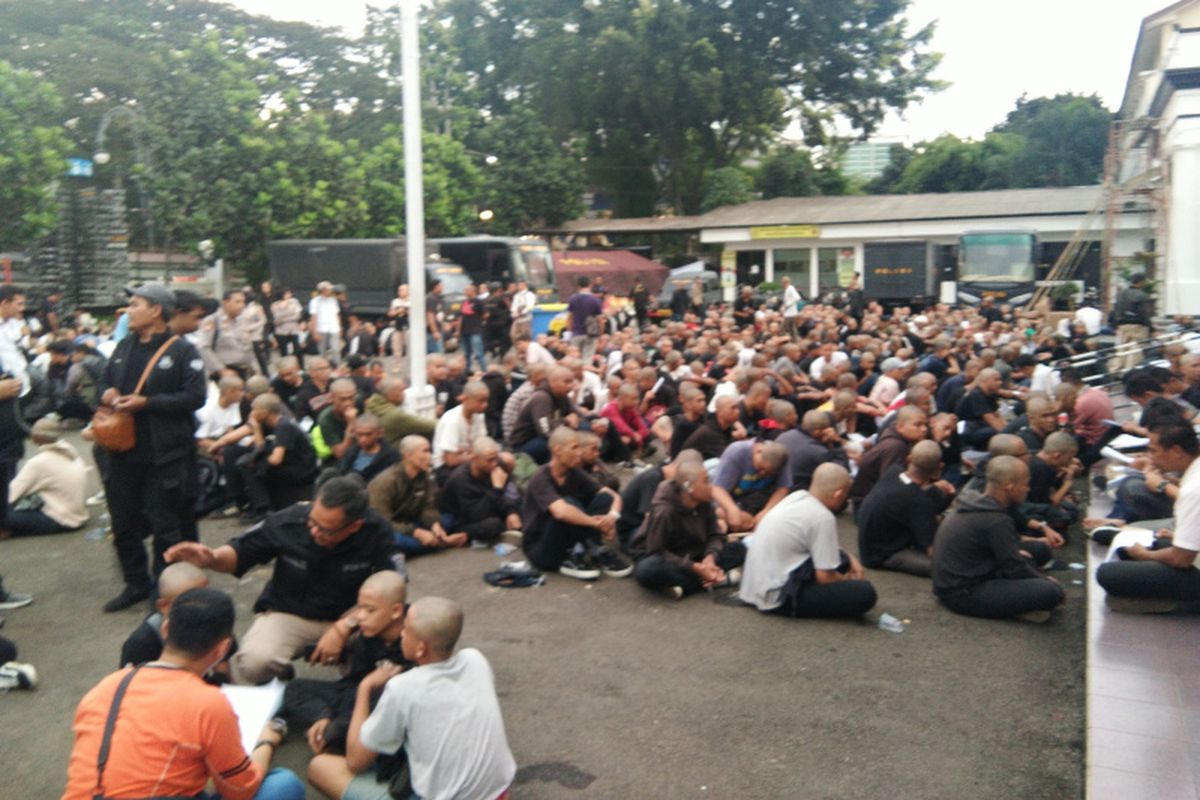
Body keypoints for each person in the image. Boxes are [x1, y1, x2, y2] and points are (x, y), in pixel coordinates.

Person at [62, 588, 304, 800]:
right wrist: (266, 741)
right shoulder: (208, 703)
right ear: (223, 648)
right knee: (283, 784)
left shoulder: (109, 684)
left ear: (166, 628)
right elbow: (241, 790)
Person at [164, 476, 396, 684]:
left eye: (326, 530)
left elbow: (394, 585)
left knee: (392, 647)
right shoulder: (288, 521)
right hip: (291, 611)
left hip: (352, 617)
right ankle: (279, 682)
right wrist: (211, 558)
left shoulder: (378, 532)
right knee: (255, 663)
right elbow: (241, 552)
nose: (314, 532)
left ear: (355, 526)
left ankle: (355, 678)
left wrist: (344, 627)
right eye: (312, 522)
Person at [308, 597, 516, 800]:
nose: (402, 633)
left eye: (406, 629)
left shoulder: (402, 688)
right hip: (497, 793)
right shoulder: (475, 660)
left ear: (421, 648)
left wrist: (365, 687)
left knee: (320, 768)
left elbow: (356, 761)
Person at [99, 284, 207, 612]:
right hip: (122, 451)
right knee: (123, 523)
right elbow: (103, 384)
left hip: (165, 454)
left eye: (135, 304)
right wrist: (106, 395)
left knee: (165, 525)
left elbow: (195, 396)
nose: (128, 310)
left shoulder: (183, 351)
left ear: (156, 310)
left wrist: (147, 402)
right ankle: (135, 582)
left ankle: (162, 589)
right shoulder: (124, 347)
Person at [282, 571, 411, 783]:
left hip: (384, 706)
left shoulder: (412, 638)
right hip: (357, 695)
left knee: (337, 733)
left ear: (396, 611)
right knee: (294, 689)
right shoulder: (368, 633)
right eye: (360, 608)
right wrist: (325, 714)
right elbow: (352, 682)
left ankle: (339, 736)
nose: (360, 616)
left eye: (370, 610)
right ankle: (326, 723)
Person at [931, 456, 1065, 622]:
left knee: (1039, 551)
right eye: (1025, 484)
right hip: (962, 594)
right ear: (1010, 486)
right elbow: (1013, 567)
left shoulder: (977, 501)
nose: (1028, 489)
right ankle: (1016, 608)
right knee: (1052, 592)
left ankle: (1016, 604)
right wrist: (1044, 580)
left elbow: (1010, 557)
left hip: (963, 577)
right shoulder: (996, 519)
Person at [739, 463, 877, 618]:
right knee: (865, 593)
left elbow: (830, 549)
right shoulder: (823, 517)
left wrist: (852, 559)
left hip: (754, 587)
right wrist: (847, 581)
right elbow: (825, 577)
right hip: (778, 596)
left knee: (842, 560)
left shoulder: (797, 497)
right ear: (838, 494)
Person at [1096, 422, 1200, 612]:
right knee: (1153, 544)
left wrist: (1146, 556)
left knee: (1107, 573)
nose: (1150, 457)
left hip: (1193, 566)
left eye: (1154, 451)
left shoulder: (1194, 489)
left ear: (1176, 450)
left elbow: (1181, 559)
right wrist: (1176, 538)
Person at [629, 459, 745, 599]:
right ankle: (712, 581)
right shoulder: (664, 511)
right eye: (706, 481)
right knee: (647, 569)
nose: (710, 486)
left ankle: (687, 585)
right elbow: (657, 550)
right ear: (689, 486)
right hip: (667, 558)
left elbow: (715, 534)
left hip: (695, 553)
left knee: (740, 548)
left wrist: (710, 557)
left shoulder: (704, 501)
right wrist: (694, 567)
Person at [521, 427, 627, 580]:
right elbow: (561, 512)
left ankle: (593, 549)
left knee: (604, 499)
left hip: (565, 536)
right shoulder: (540, 477)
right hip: (540, 550)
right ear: (557, 451)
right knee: (569, 503)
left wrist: (611, 519)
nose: (579, 452)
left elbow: (613, 496)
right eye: (574, 448)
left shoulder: (574, 472)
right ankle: (570, 557)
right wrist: (596, 524)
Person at [857, 440, 951, 577]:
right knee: (947, 567)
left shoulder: (893, 471)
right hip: (883, 555)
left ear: (909, 459)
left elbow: (909, 494)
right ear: (939, 468)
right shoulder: (920, 503)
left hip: (869, 543)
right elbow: (933, 551)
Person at [368, 435, 466, 553]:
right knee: (399, 542)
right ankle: (443, 543)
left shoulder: (425, 475)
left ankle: (434, 541)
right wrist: (416, 532)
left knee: (448, 519)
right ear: (407, 455)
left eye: (430, 451)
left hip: (411, 520)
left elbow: (428, 506)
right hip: (390, 526)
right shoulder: (385, 481)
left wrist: (435, 525)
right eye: (425, 451)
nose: (429, 456)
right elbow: (382, 521)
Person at [2, 415, 87, 537]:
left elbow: (10, 495)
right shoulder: (71, 452)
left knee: (3, 514)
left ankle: (8, 531)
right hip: (77, 514)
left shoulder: (39, 462)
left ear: (34, 438)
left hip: (60, 519)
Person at [238, 393, 320, 519]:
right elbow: (262, 449)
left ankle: (264, 509)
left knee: (251, 466)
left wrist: (262, 462)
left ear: (265, 412)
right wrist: (257, 429)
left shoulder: (284, 426)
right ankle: (265, 505)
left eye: (255, 409)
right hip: (292, 465)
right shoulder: (274, 424)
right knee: (251, 462)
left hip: (302, 470)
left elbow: (276, 459)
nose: (252, 413)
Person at [118, 561, 211, 668]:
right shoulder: (142, 643)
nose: (199, 609)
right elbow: (131, 682)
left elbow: (223, 670)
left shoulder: (212, 622)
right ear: (163, 606)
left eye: (206, 599)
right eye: (187, 604)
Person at [438, 437, 522, 545]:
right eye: (489, 460)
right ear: (474, 459)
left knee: (522, 506)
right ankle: (464, 536)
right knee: (493, 525)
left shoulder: (496, 465)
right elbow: (477, 515)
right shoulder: (461, 479)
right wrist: (497, 489)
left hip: (489, 506)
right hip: (463, 520)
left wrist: (511, 512)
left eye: (496, 458)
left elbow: (509, 494)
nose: (494, 463)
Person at [849, 406, 928, 508]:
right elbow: (889, 485)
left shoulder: (895, 438)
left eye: (925, 424)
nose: (924, 429)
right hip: (867, 505)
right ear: (900, 427)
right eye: (918, 425)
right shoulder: (896, 447)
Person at [711, 439, 792, 533]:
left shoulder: (780, 457)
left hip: (756, 502)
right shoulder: (737, 451)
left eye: (768, 473)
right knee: (719, 513)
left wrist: (766, 511)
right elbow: (717, 489)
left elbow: (783, 487)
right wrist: (732, 509)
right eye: (760, 468)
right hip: (729, 500)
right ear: (758, 451)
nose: (762, 473)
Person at [507, 364, 579, 464]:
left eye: (572, 381)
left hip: (543, 437)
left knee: (582, 431)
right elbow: (545, 431)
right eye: (566, 382)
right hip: (523, 445)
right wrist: (566, 421)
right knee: (556, 446)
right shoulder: (541, 398)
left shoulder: (562, 396)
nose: (571, 386)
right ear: (552, 381)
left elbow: (576, 415)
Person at [777, 409, 850, 491]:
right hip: (798, 491)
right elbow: (841, 471)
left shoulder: (783, 436)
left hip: (778, 485)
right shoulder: (818, 452)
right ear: (817, 432)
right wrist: (837, 444)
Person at [431, 379, 490, 482]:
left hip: (466, 459)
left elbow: (481, 445)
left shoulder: (479, 415)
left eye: (486, 401)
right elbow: (450, 460)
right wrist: (476, 456)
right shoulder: (452, 420)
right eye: (480, 401)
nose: (485, 405)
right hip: (445, 468)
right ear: (465, 399)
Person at [328, 413, 399, 485]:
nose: (363, 439)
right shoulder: (352, 451)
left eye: (368, 434)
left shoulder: (391, 457)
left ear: (379, 433)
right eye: (359, 434)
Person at [199, 289, 256, 378]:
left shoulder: (242, 320)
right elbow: (204, 348)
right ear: (225, 303)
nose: (242, 305)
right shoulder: (213, 320)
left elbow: (248, 347)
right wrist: (221, 370)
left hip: (245, 371)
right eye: (237, 302)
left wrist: (255, 368)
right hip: (225, 372)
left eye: (243, 302)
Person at [365, 377, 437, 445]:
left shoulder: (370, 406)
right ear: (391, 394)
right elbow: (430, 426)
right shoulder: (394, 415)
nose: (404, 393)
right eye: (402, 390)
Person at [1109, 272, 1154, 373]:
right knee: (1135, 349)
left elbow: (1116, 310)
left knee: (1122, 348)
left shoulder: (1120, 294)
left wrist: (1115, 324)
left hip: (1122, 325)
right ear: (1141, 282)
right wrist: (1151, 328)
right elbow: (1144, 313)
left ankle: (1115, 369)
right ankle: (1129, 371)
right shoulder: (1142, 295)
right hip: (1137, 325)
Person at [313, 378, 360, 465]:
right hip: (344, 460)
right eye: (343, 399)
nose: (348, 403)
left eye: (351, 398)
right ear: (331, 398)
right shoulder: (325, 419)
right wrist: (351, 425)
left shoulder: (359, 402)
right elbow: (340, 454)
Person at [567, 276, 603, 359]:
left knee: (574, 359)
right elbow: (600, 320)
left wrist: (569, 332)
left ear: (578, 286)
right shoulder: (595, 300)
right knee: (587, 358)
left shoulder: (573, 299)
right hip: (590, 334)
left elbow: (569, 318)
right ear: (590, 285)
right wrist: (600, 335)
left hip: (576, 333)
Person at [310, 281, 343, 362]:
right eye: (329, 289)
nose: (330, 291)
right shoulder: (315, 301)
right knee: (322, 350)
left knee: (336, 349)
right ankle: (322, 365)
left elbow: (337, 315)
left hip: (334, 327)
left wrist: (340, 327)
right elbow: (314, 317)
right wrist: (314, 332)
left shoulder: (333, 300)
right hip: (321, 328)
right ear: (323, 290)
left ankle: (336, 366)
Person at [272, 287, 305, 365]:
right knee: (284, 351)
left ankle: (301, 366)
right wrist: (288, 316)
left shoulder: (294, 302)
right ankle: (286, 366)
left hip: (293, 329)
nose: (290, 295)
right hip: (281, 331)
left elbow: (297, 315)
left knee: (297, 349)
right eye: (287, 293)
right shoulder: (275, 304)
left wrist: (284, 318)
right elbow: (277, 318)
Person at [458, 283, 487, 373]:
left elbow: (485, 314)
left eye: (467, 290)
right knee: (467, 354)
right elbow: (461, 317)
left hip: (475, 331)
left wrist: (478, 321)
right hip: (465, 331)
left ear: (473, 291)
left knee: (478, 353)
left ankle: (484, 371)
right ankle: (467, 371)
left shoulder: (478, 301)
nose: (465, 292)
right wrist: (458, 330)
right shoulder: (464, 302)